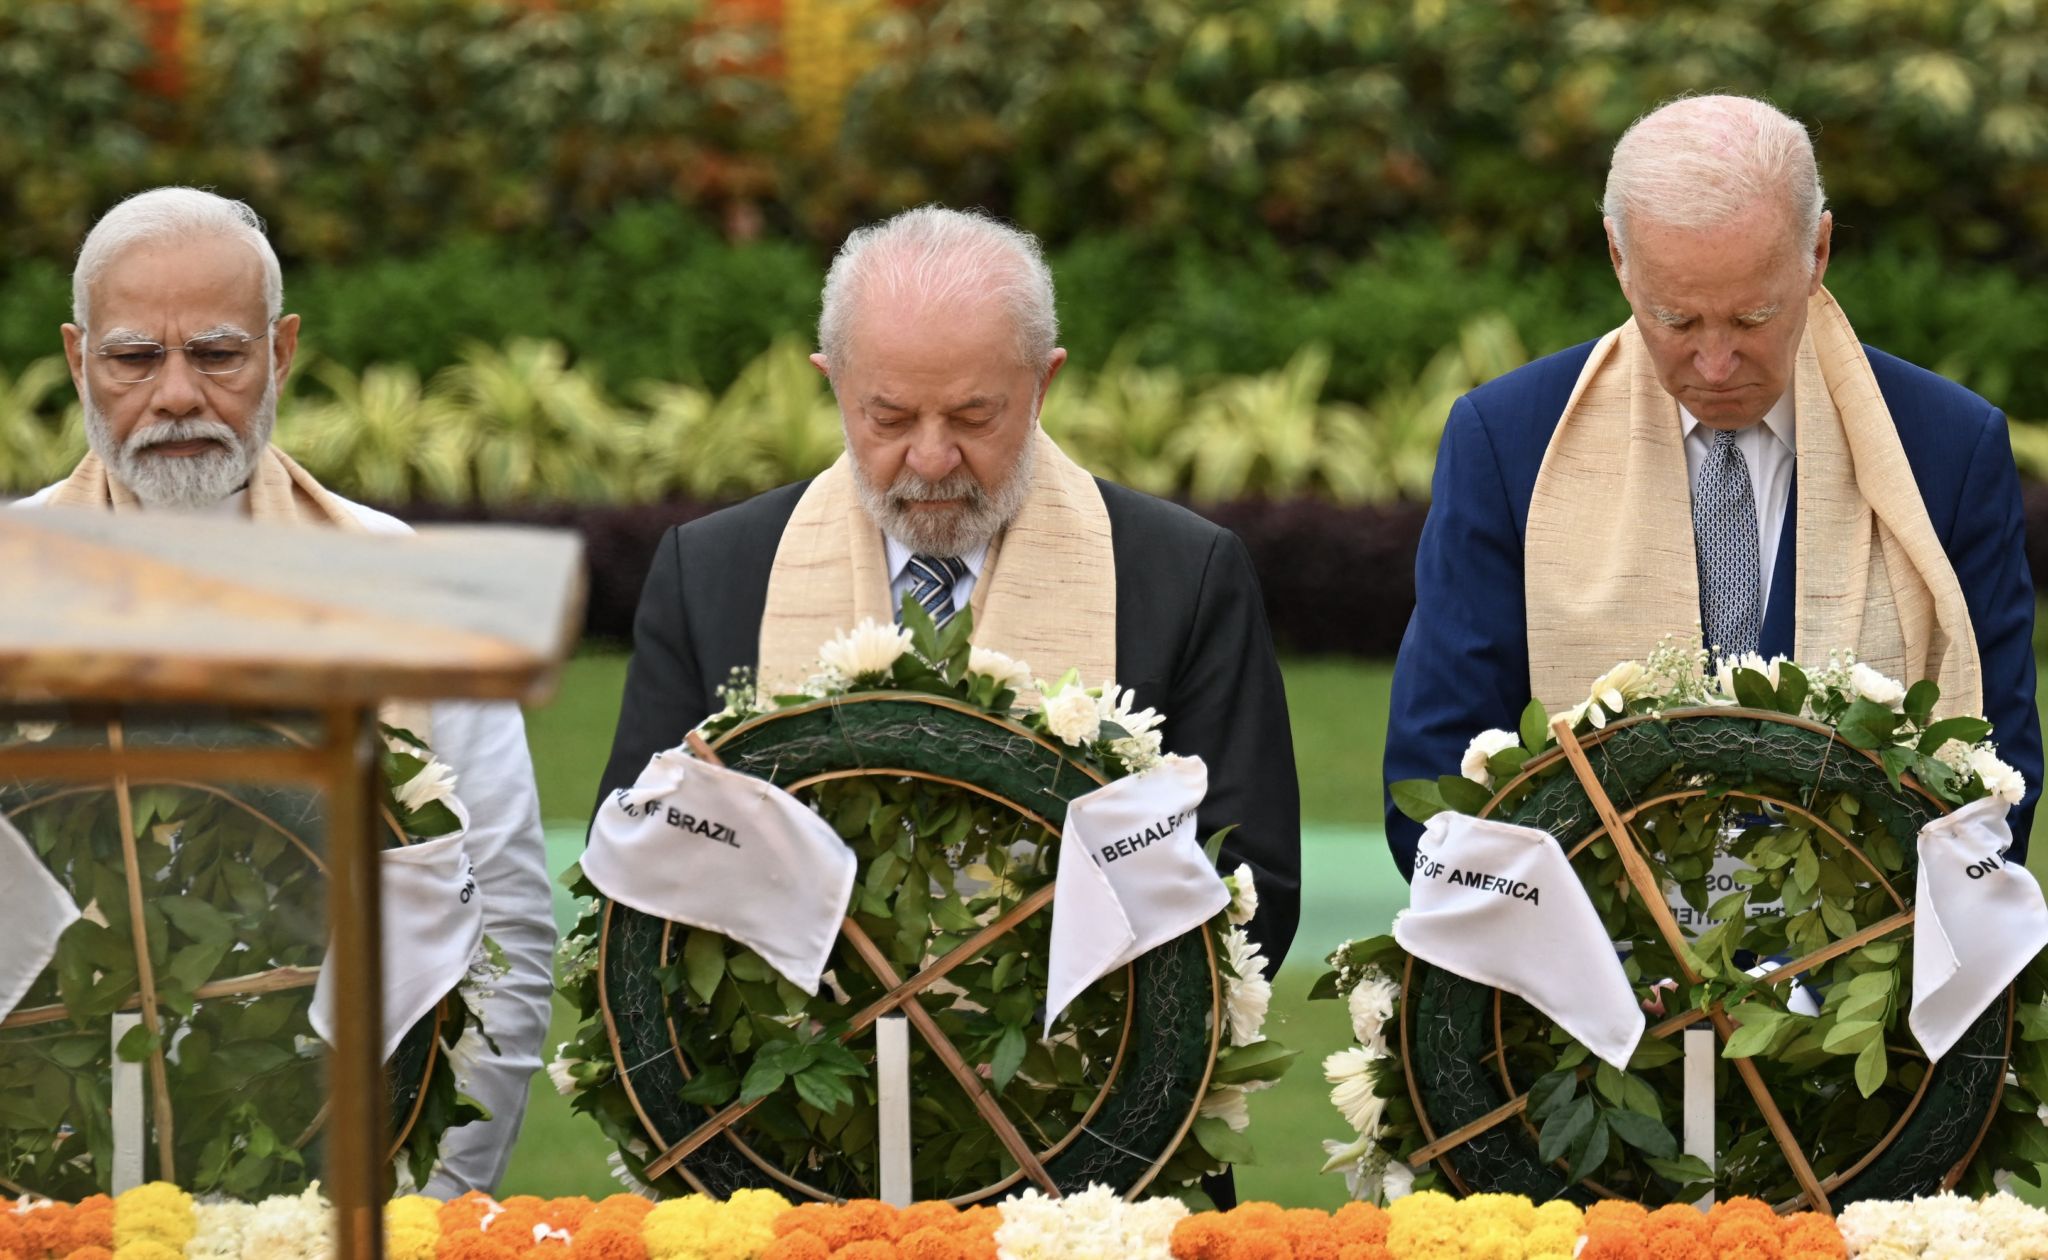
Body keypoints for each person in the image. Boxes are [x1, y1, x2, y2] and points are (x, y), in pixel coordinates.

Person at [595, 206, 1300, 1204]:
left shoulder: (1182, 575)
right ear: (832, 383)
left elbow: (1251, 883)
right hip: (783, 1156)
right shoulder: (713, 573)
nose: (930, 460)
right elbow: (632, 863)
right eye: (888, 419)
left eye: (974, 418)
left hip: (1101, 1162)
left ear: (1043, 383)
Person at [13, 186, 556, 1196]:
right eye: (136, 358)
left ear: (283, 350)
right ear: (79, 360)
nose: (178, 395)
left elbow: (505, 930)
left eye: (219, 354)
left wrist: (432, 1205)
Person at [1385, 94, 2042, 877]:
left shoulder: (1947, 447)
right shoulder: (1507, 442)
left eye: (1753, 317)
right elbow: (1438, 774)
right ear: (1618, 258)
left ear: (1818, 251)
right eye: (1678, 321)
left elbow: (1996, 774)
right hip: (1578, 948)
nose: (1717, 363)